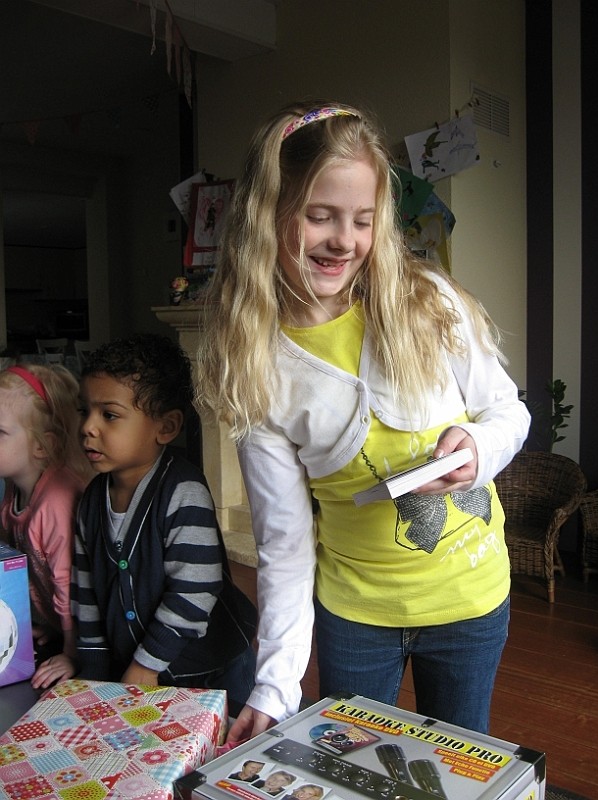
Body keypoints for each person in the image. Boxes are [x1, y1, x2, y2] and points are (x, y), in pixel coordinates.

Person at [195, 101, 530, 739]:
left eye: (363, 220)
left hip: (470, 600)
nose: (343, 240)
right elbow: (284, 545)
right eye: (319, 215)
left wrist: (477, 445)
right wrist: (275, 684)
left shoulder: (430, 303)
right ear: (268, 214)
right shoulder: (257, 365)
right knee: (351, 763)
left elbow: (507, 411)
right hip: (355, 616)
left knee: (458, 766)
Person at [69, 334, 257, 713]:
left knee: (222, 737)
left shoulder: (182, 491)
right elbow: (85, 592)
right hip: (138, 670)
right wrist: (93, 670)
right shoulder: (91, 500)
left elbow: (195, 588)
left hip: (209, 668)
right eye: (84, 411)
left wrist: (147, 663)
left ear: (166, 427)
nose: (89, 427)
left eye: (109, 415)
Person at [0, 363, 92, 689]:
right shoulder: (13, 489)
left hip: (87, 635)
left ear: (42, 445)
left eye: (0, 432)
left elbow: (69, 587)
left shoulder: (55, 502)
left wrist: (71, 652)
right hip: (60, 625)